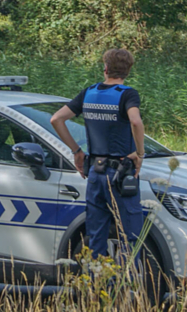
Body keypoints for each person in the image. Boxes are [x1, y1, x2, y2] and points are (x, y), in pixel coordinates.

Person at [51, 48, 145, 262]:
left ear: (105, 69)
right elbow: (136, 121)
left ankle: (96, 288)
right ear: (128, 71)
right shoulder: (127, 94)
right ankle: (125, 291)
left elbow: (56, 119)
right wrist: (140, 153)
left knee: (95, 238)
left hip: (95, 172)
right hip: (121, 175)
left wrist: (76, 151)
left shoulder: (89, 93)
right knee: (130, 238)